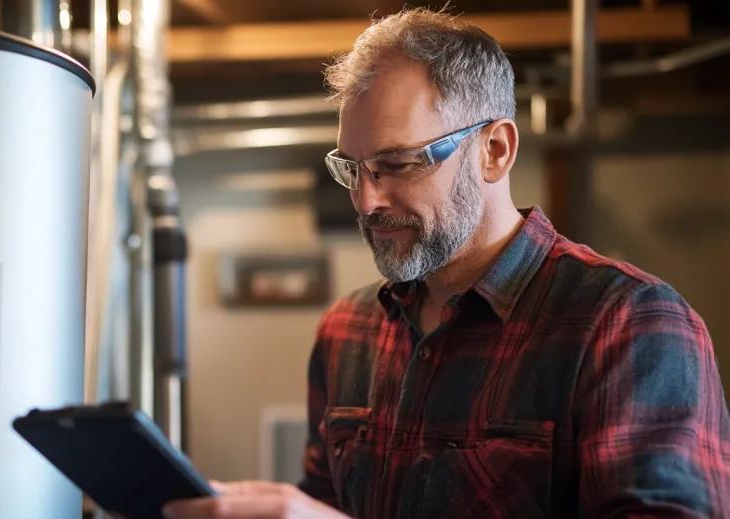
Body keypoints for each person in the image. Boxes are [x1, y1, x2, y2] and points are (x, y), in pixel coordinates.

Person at [163, 8, 730, 519]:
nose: (366, 200)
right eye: (353, 168)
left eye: (399, 163)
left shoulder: (629, 325)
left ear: (495, 151)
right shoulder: (347, 331)